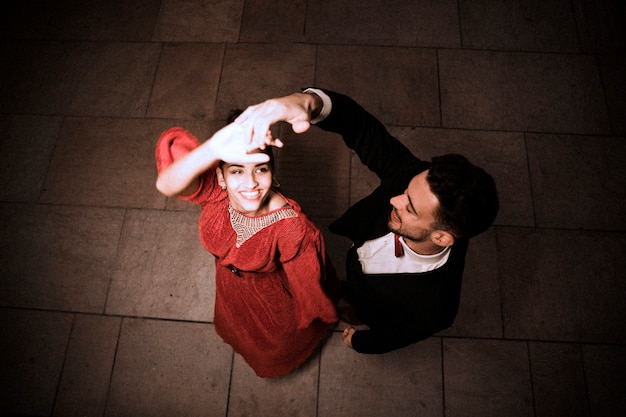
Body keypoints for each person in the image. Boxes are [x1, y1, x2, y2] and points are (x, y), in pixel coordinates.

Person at [235, 88, 499, 354]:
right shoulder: (413, 177)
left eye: (410, 208)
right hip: (358, 271)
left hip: (374, 306)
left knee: (362, 309)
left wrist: (360, 343)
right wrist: (308, 102)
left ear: (441, 237)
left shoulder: (435, 307)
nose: (394, 200)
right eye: (405, 191)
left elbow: (397, 334)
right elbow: (360, 126)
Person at [154, 119, 339, 377]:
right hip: (233, 291)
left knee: (273, 345)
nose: (250, 183)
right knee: (238, 328)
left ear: (272, 172)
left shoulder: (290, 227)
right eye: (237, 170)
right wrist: (214, 148)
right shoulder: (216, 193)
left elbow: (309, 289)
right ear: (220, 175)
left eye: (260, 169)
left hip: (272, 300)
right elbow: (167, 183)